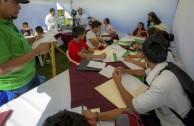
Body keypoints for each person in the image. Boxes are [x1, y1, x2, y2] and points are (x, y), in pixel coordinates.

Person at [85, 35, 192, 126]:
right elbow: (145, 72)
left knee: (126, 111)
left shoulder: (160, 85)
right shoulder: (166, 65)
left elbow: (133, 106)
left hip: (170, 122)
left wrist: (118, 82)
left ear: (143, 55)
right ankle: (96, 116)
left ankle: (96, 116)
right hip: (171, 110)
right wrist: (125, 70)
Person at [0, 0, 50, 106]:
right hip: (16, 86)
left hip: (30, 75)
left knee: (39, 107)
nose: (19, 7)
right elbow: (3, 68)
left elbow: (16, 43)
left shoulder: (8, 22)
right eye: (15, 3)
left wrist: (35, 38)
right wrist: (37, 51)